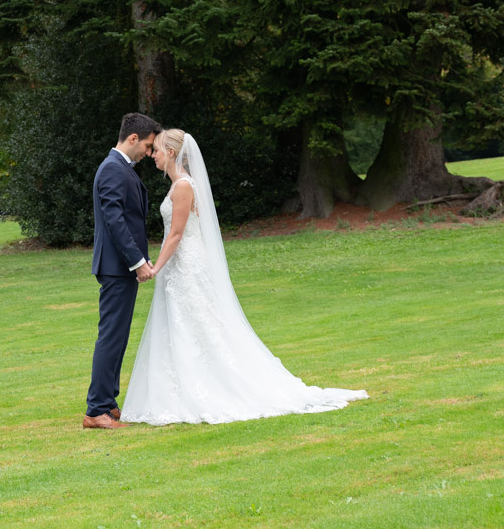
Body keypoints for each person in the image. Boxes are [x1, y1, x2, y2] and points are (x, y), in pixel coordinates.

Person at [120, 129, 368, 424]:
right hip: (178, 264)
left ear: (172, 153)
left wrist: (155, 267)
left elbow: (176, 235)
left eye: (157, 151)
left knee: (199, 323)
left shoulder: (184, 186)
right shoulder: (177, 186)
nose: (153, 156)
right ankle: (179, 389)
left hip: (186, 264)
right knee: (182, 324)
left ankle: (211, 386)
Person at [83, 112, 162, 429]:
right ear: (132, 139)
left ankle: (108, 402)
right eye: (146, 145)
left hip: (120, 268)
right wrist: (137, 261)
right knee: (111, 336)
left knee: (118, 336)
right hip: (117, 268)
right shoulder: (113, 169)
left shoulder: (119, 168)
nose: (148, 152)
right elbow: (114, 220)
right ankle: (96, 409)